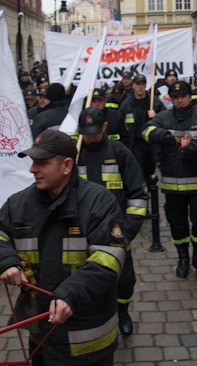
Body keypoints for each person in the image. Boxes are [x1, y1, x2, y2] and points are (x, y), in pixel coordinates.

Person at [0, 129, 126, 365]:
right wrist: (5, 262)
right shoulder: (19, 203)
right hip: (43, 341)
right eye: (32, 162)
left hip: (89, 344)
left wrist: (70, 293)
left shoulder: (99, 202)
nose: (32, 169)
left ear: (66, 166)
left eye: (42, 163)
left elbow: (109, 260)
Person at [77, 107, 146, 336]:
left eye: (95, 132)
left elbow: (137, 193)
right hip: (82, 230)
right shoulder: (74, 154)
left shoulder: (119, 152)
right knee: (88, 276)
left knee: (124, 279)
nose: (90, 137)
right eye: (86, 133)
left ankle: (122, 311)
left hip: (116, 230)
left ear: (105, 127)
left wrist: (129, 230)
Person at [142, 80, 197, 281]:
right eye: (176, 97)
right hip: (172, 183)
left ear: (190, 97)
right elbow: (146, 131)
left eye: (183, 96)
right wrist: (162, 135)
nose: (180, 100)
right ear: (171, 99)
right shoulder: (164, 117)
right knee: (177, 224)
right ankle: (183, 259)